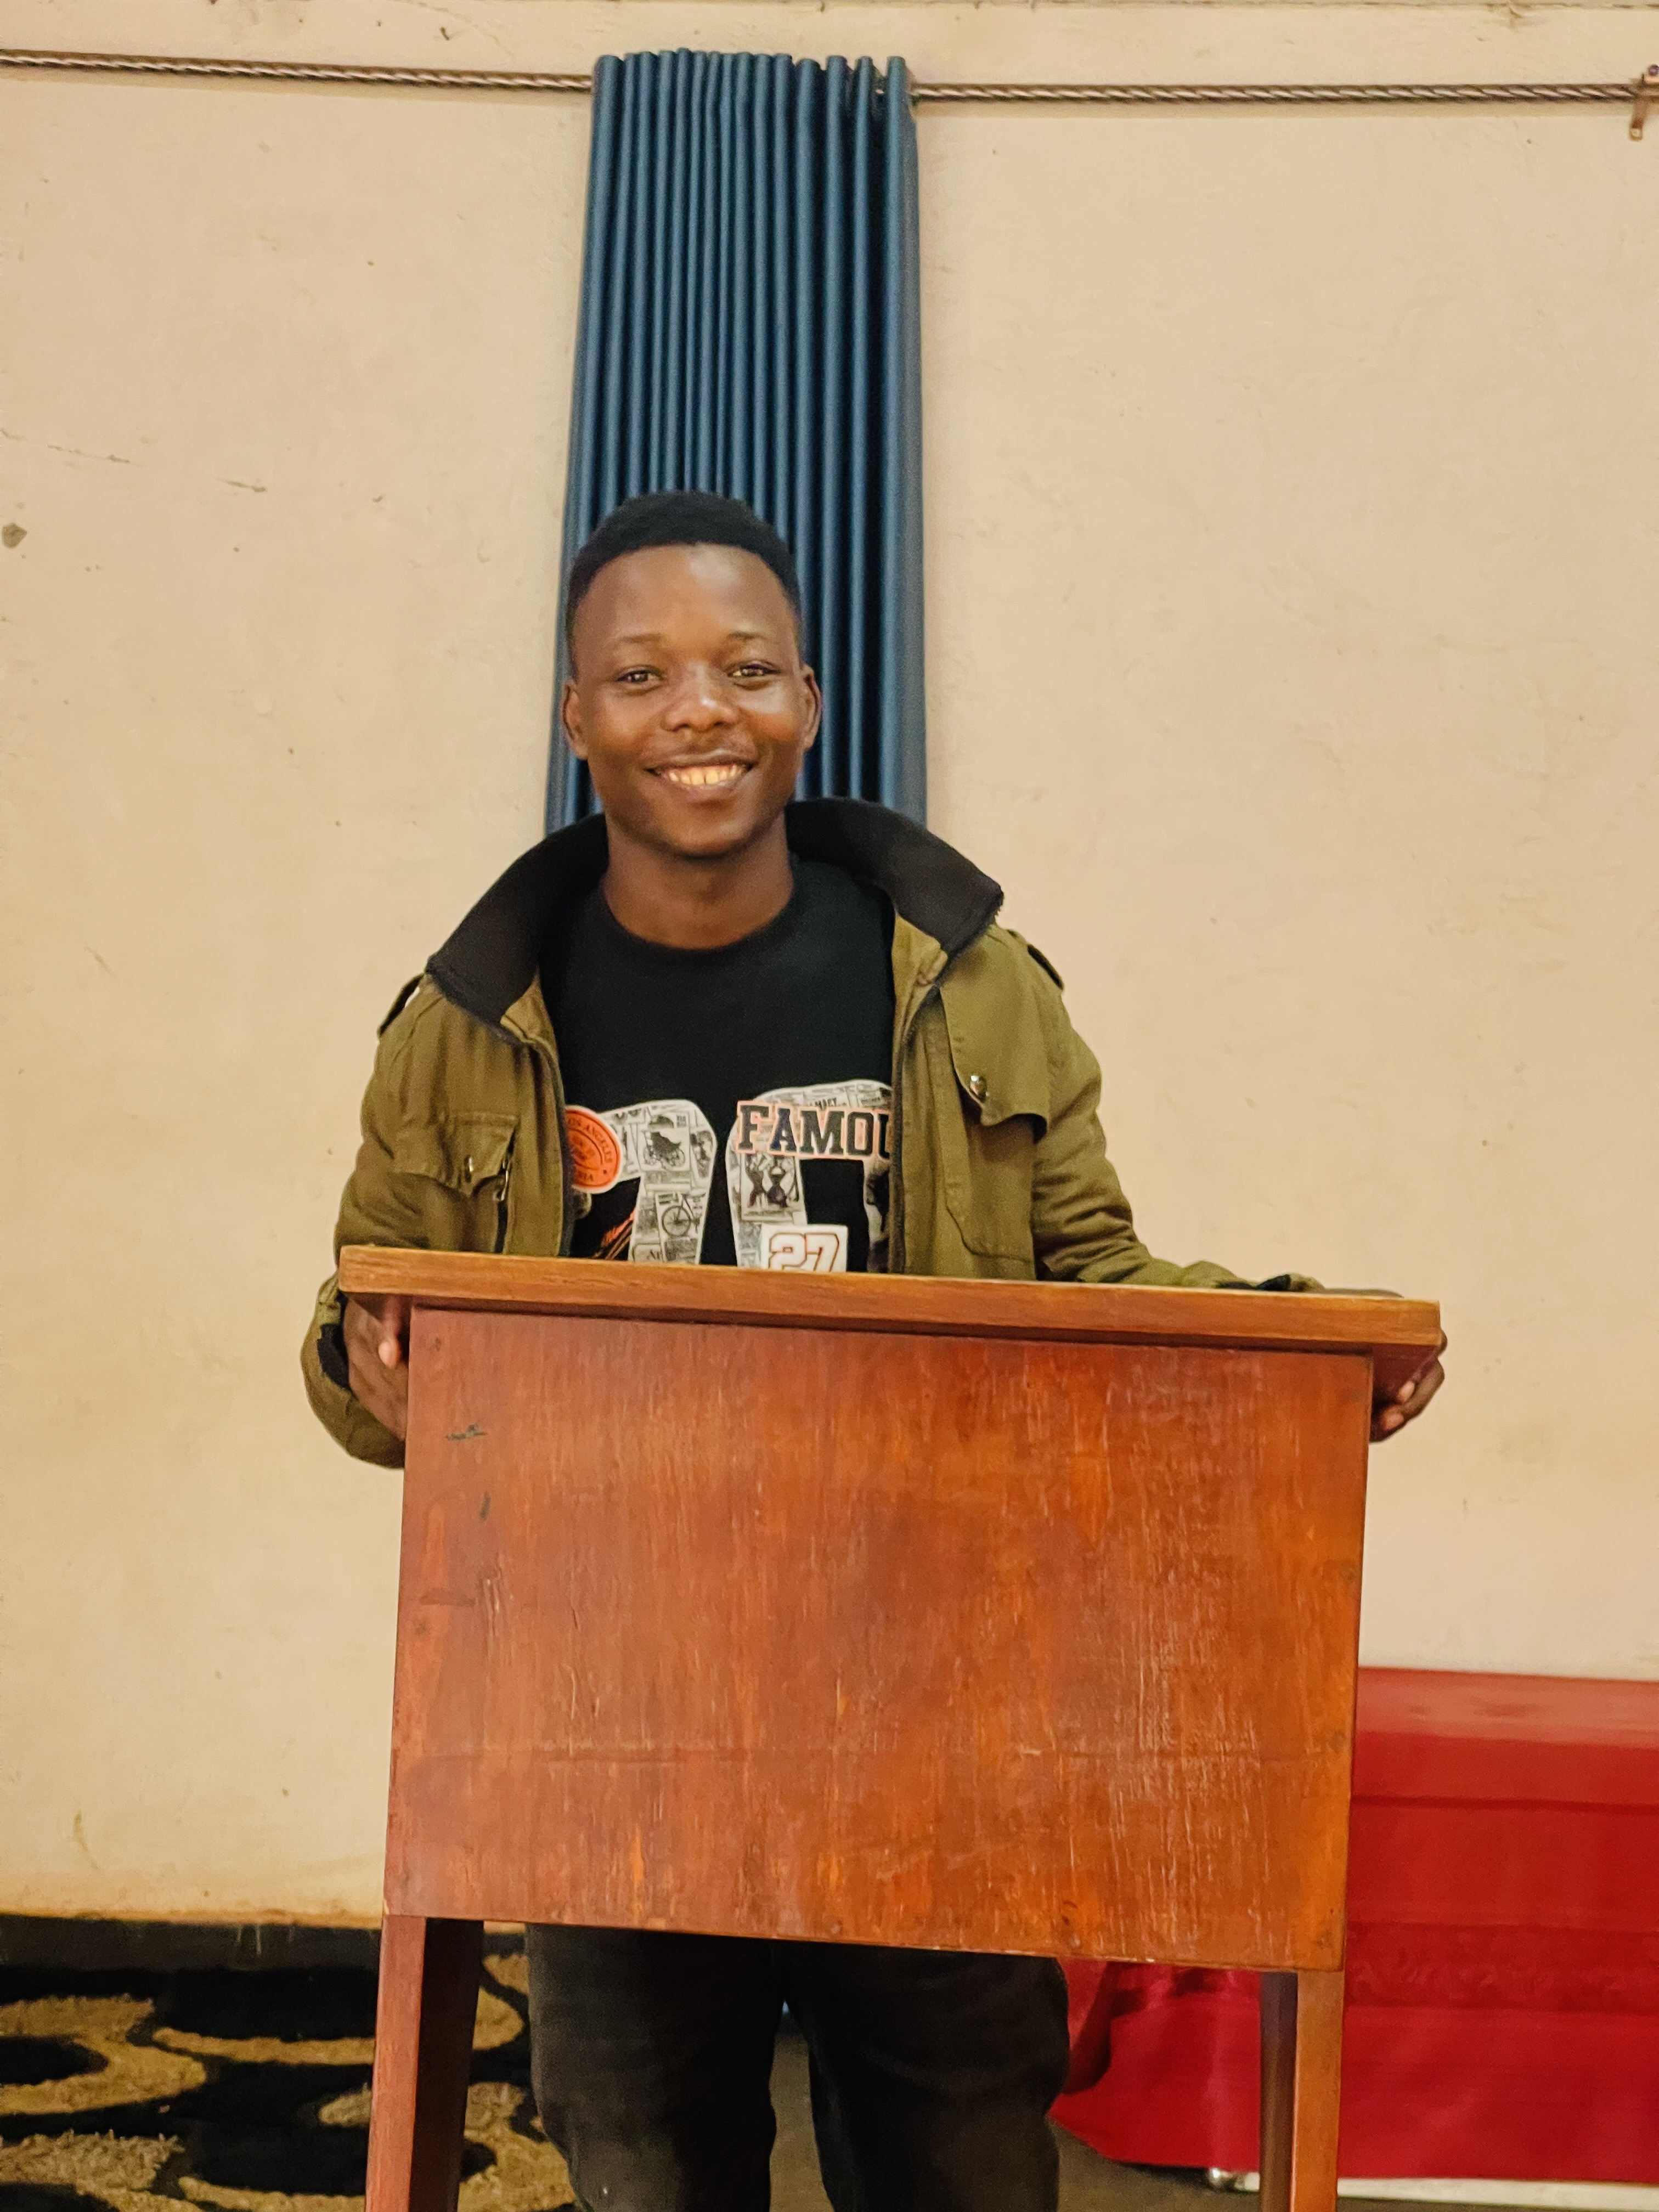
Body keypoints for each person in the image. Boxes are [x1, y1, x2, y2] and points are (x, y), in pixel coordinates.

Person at [301, 489, 1444, 2212]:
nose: (701, 711)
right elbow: (362, 1329)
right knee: (646, 2167)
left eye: (747, 668)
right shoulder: (465, 1026)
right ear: (577, 716)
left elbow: (1089, 1281)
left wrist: (1297, 1345)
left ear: (810, 703)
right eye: (643, 676)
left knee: (966, 2166)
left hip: (940, 1701)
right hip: (608, 1713)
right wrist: (369, 1367)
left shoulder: (970, 986)